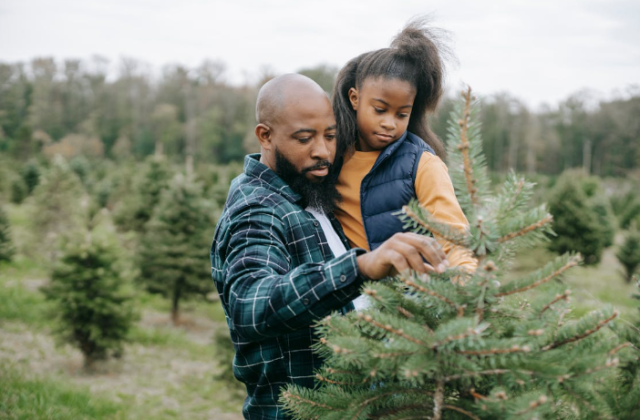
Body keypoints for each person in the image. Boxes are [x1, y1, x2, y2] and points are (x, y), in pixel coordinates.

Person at [210, 73, 449, 420]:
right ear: (265, 136)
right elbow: (251, 303)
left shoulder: (308, 191)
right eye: (304, 138)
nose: (322, 152)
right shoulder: (258, 210)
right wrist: (360, 267)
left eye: (330, 135)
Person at [332, 19, 476, 309]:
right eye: (380, 110)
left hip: (407, 306)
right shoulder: (331, 157)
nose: (389, 123)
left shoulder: (421, 163)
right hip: (344, 296)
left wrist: (469, 287)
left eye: (401, 114)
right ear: (355, 98)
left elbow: (454, 236)